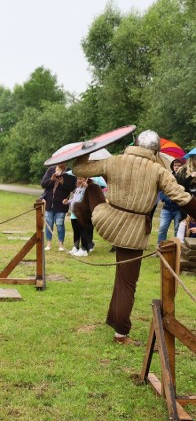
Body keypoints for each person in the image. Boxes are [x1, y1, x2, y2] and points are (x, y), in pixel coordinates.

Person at [73, 130, 196, 346]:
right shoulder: (158, 170)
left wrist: (87, 151)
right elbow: (181, 196)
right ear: (156, 151)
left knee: (92, 188)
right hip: (133, 232)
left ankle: (113, 318)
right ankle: (121, 333)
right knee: (127, 282)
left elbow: (79, 169)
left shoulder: (114, 161)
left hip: (106, 220)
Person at [41, 162, 76, 251]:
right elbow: (43, 184)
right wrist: (51, 180)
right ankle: (48, 244)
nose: (61, 163)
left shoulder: (69, 172)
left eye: (64, 162)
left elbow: (72, 188)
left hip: (61, 204)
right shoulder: (50, 170)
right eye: (60, 162)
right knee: (49, 223)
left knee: (60, 224)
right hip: (49, 202)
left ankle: (61, 244)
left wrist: (63, 182)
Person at [157, 158, 184, 244]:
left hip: (179, 209)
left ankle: (177, 249)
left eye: (179, 166)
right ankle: (160, 248)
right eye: (175, 165)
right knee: (162, 228)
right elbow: (162, 189)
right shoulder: (167, 176)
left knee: (177, 229)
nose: (177, 167)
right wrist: (166, 199)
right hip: (167, 208)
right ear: (172, 166)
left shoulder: (184, 178)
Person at [67, 176, 90, 256]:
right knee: (76, 231)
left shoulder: (87, 189)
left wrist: (87, 187)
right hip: (74, 213)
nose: (79, 180)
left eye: (81, 179)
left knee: (82, 231)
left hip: (82, 213)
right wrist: (68, 201)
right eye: (78, 179)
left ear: (85, 179)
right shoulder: (77, 189)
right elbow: (74, 199)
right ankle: (76, 247)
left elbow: (89, 196)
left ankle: (84, 249)